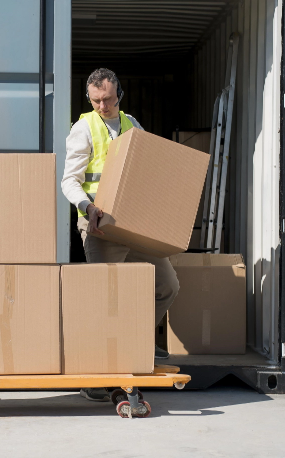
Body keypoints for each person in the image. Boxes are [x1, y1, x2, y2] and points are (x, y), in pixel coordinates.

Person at [62, 68, 180, 402]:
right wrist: (87, 207)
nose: (103, 106)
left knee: (167, 285)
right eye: (96, 100)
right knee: (105, 302)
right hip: (99, 227)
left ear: (120, 95)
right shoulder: (83, 128)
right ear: (90, 98)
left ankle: (138, 342)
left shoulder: (132, 124)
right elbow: (69, 180)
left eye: (108, 100)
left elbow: (147, 166)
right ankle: (94, 376)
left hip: (133, 226)